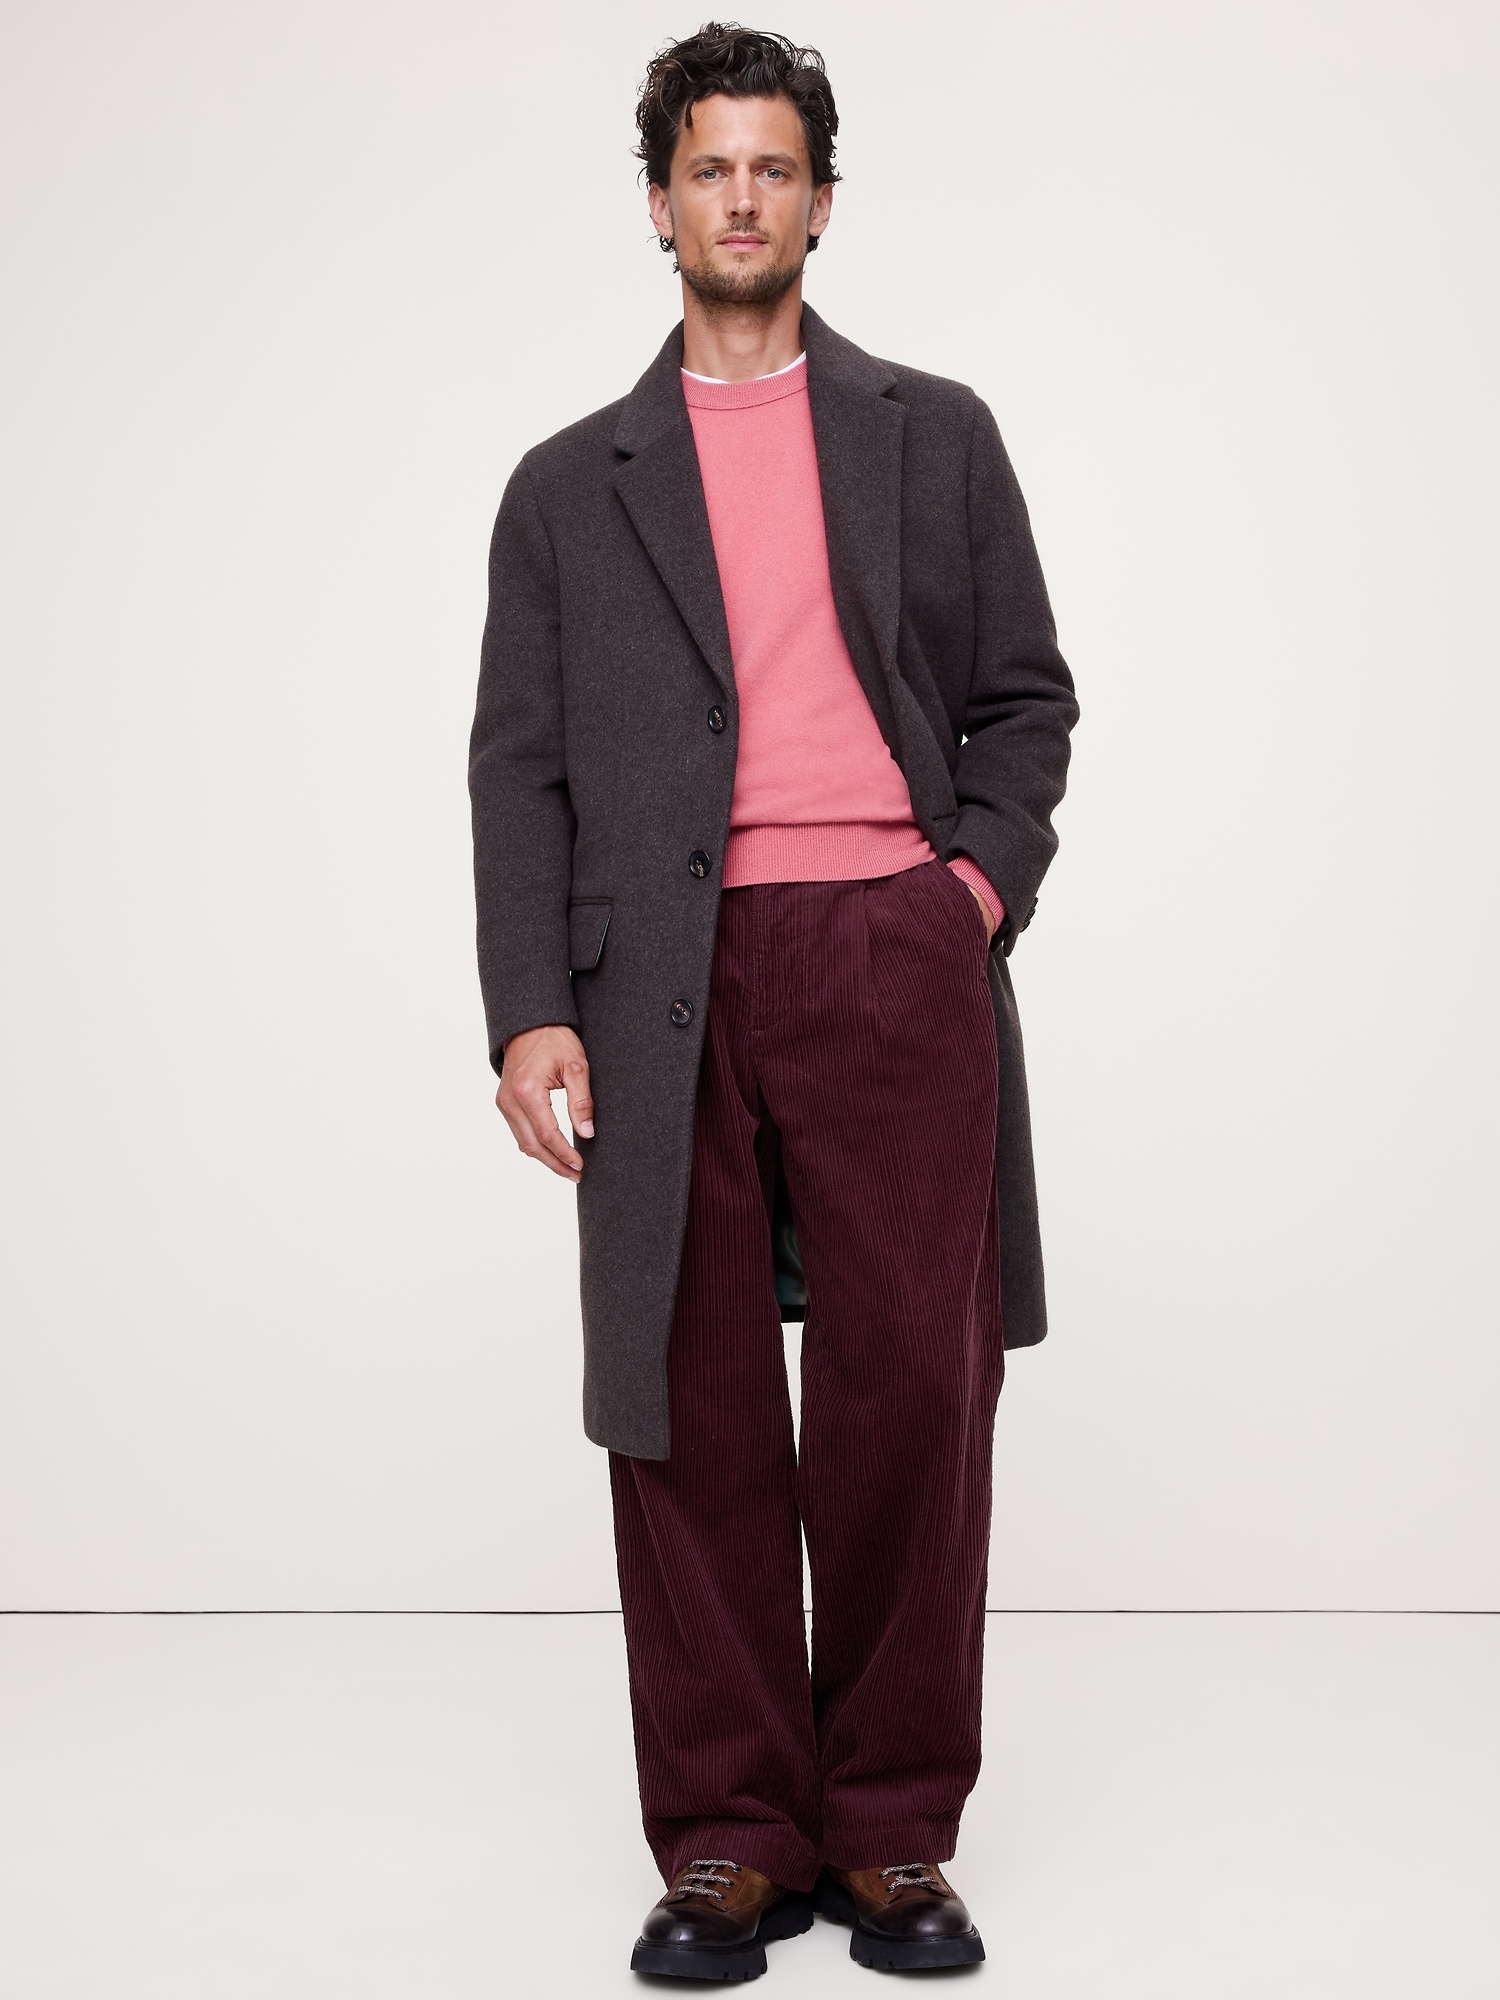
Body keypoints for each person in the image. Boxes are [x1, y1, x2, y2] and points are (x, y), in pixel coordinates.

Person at [469, 22, 1077, 1979]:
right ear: (659, 205)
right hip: (659, 979)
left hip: (892, 951)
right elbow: (521, 770)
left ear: (821, 199)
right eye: (709, 168)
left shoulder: (934, 433)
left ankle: (891, 1830)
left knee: (915, 1394)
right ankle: (732, 1833)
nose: (742, 197)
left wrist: (966, 895)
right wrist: (529, 1006)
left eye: (774, 167)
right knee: (694, 1401)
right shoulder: (567, 490)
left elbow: (1024, 702)